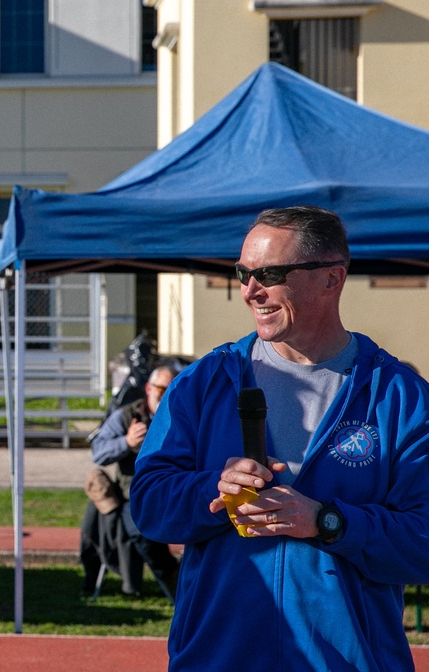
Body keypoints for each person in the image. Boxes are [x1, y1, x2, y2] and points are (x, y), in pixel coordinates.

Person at [131, 206, 429, 671]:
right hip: (217, 659)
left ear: (331, 279)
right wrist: (213, 489)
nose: (250, 291)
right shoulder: (202, 383)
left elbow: (423, 542)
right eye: (243, 273)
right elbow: (149, 505)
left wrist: (327, 522)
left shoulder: (400, 397)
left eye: (269, 273)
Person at [80, 366, 179, 597]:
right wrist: (126, 442)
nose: (165, 395)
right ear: (148, 388)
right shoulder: (127, 416)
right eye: (160, 389)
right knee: (130, 525)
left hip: (172, 492)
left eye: (171, 389)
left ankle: (188, 583)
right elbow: (98, 452)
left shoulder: (183, 416)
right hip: (134, 495)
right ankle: (172, 579)